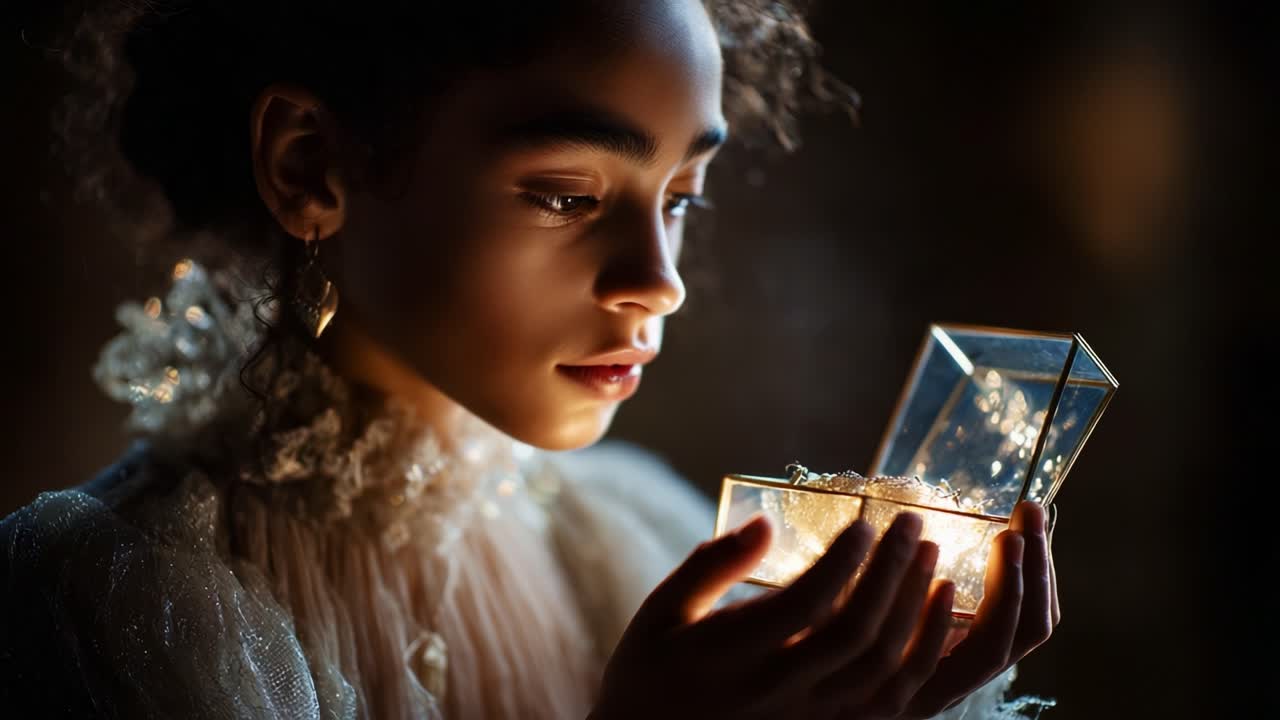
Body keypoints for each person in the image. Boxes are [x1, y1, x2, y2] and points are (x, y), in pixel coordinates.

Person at [1, 1, 1060, 717]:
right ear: (309, 165)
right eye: (565, 196)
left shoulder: (638, 542)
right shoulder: (112, 613)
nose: (659, 281)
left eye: (681, 200)